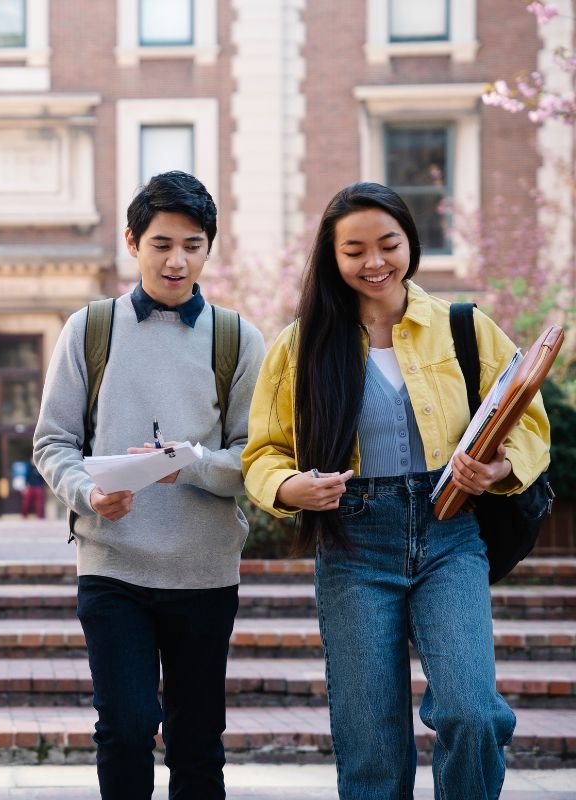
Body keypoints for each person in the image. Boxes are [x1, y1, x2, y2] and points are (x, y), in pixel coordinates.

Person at [241, 182, 550, 799]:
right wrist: (292, 486)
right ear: (332, 257)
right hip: (353, 543)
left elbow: (530, 422)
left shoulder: (465, 327)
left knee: (473, 713)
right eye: (354, 250)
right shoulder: (301, 346)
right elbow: (262, 454)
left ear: (411, 241)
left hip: (450, 535)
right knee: (372, 753)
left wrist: (496, 472)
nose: (374, 261)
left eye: (388, 244)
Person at [33, 170, 265, 799]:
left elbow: (256, 457)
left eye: (192, 244)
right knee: (126, 726)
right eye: (161, 243)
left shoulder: (236, 338)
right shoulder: (90, 329)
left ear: (208, 248)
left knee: (197, 742)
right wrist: (88, 491)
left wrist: (184, 463)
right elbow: (52, 442)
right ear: (133, 242)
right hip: (113, 565)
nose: (176, 259)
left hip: (205, 572)